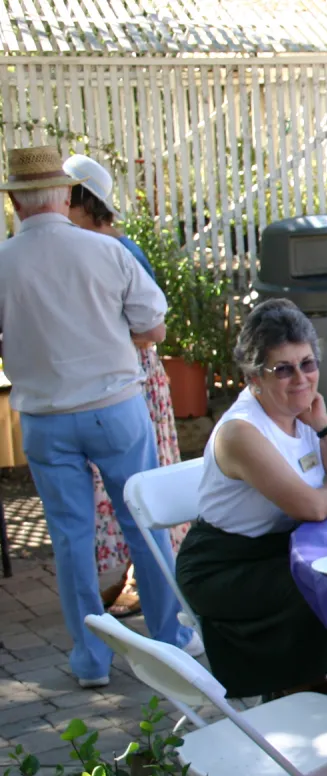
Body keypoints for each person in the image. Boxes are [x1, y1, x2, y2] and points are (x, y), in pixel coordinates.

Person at [0, 145, 198, 688]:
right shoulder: (105, 250)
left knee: (70, 537)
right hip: (113, 406)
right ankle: (168, 638)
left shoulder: (4, 260)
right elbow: (152, 325)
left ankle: (90, 657)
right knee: (143, 523)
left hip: (44, 414)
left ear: (16, 202)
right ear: (66, 195)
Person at [176, 299, 327, 698]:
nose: (301, 378)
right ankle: (304, 692)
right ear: (254, 377)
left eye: (308, 364)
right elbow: (312, 507)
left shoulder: (302, 414)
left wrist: (323, 424)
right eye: (283, 369)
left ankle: (321, 689)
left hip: (283, 550)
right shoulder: (241, 432)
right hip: (225, 567)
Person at [64, 153, 186, 620]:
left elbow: (153, 328)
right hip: (107, 380)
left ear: (84, 202)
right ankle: (133, 573)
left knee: (141, 480)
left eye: (67, 198)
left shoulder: (120, 248)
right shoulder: (84, 248)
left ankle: (145, 578)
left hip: (133, 379)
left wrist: (98, 337)